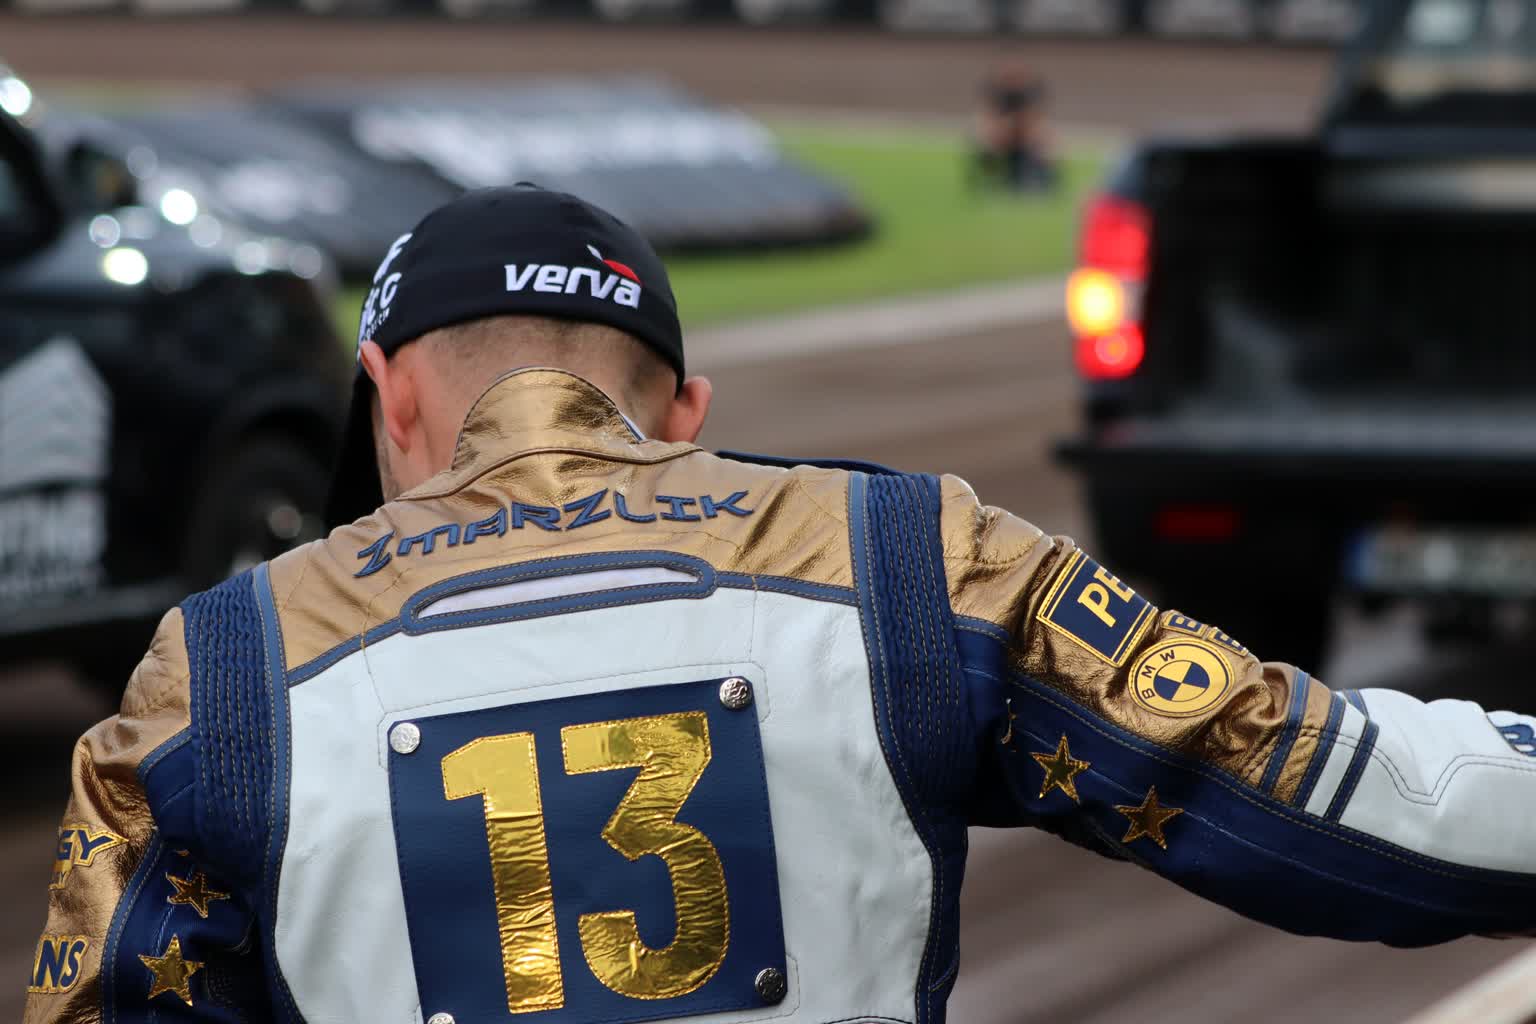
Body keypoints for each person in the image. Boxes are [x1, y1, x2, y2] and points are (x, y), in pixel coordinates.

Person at [24, 184, 1536, 1024]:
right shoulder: (910, 555)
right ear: (687, 411)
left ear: (388, 399)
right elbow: (1368, 792)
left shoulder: (212, 675)